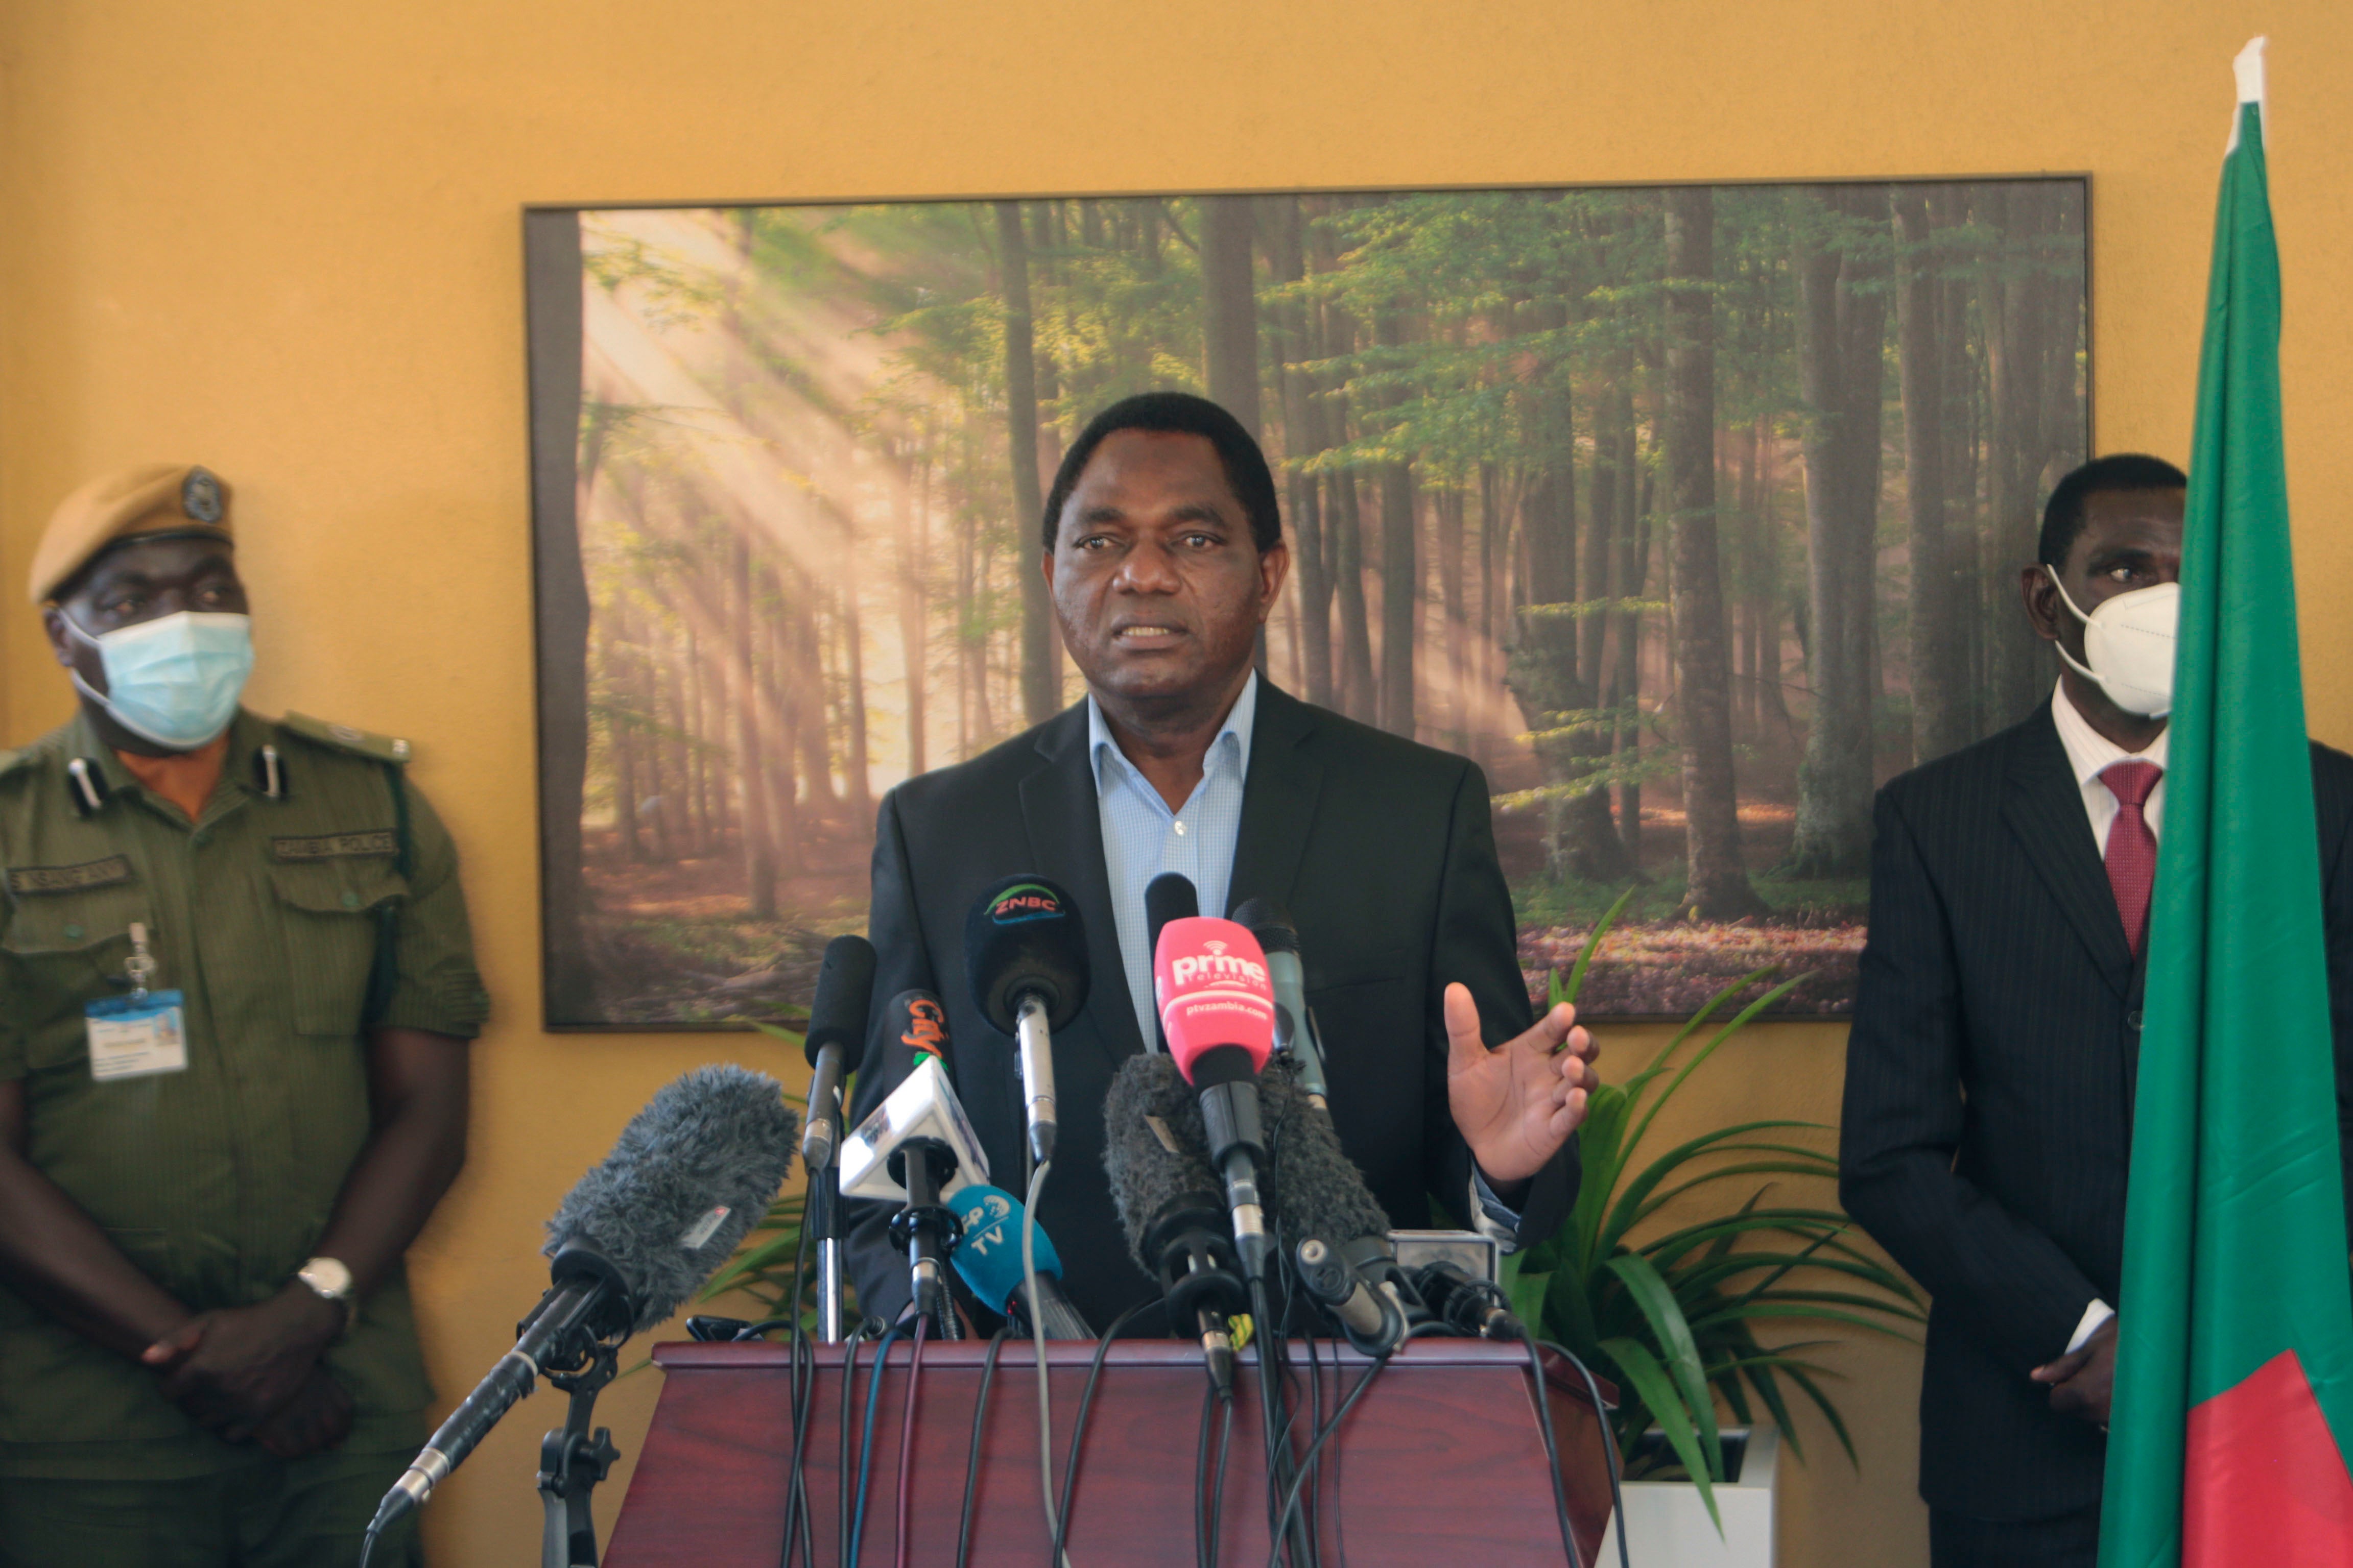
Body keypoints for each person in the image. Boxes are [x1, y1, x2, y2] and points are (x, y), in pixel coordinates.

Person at [845, 393, 1598, 1329]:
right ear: (1051, 574)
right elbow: (887, 1175)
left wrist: (1501, 1166)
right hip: (1042, 1395)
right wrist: (937, 1363)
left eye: (1193, 540)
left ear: (1268, 574)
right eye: (1101, 542)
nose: (1142, 574)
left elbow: (1493, 1127)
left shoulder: (1415, 812)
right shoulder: (941, 833)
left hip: (1339, 1390)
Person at [1838, 453, 2353, 1567]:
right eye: (2124, 569)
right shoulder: (1936, 821)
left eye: (2188, 573)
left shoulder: (2322, 805)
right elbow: (1889, 1155)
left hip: (2267, 1419)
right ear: (2046, 600)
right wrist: (2086, 1331)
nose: (2162, 599)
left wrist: (2205, 1336)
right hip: (2021, 1434)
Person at [0, 464, 488, 1567]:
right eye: (132, 601)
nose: (184, 623)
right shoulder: (11, 831)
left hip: (339, 1406)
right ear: (64, 635)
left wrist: (308, 1316)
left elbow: (429, 1112)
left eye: (211, 589)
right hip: (86, 1435)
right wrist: (197, 1356)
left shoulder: (370, 805)